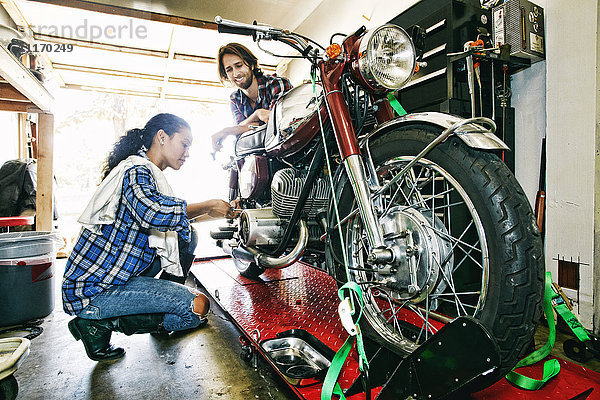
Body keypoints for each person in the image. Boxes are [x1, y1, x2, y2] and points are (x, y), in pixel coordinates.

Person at [62, 113, 237, 362]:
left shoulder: (147, 173)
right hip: (95, 291)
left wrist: (222, 210)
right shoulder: (136, 170)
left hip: (115, 278)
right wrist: (208, 204)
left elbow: (174, 218)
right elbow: (153, 212)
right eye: (184, 144)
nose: (187, 152)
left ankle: (157, 302)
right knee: (197, 308)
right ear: (162, 137)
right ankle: (94, 324)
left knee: (188, 236)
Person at [211, 42, 292, 152]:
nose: (235, 74)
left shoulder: (277, 84)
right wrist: (257, 114)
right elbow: (240, 133)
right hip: (264, 156)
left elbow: (275, 124)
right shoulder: (235, 99)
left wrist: (234, 130)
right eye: (229, 69)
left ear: (251, 65)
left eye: (239, 65)